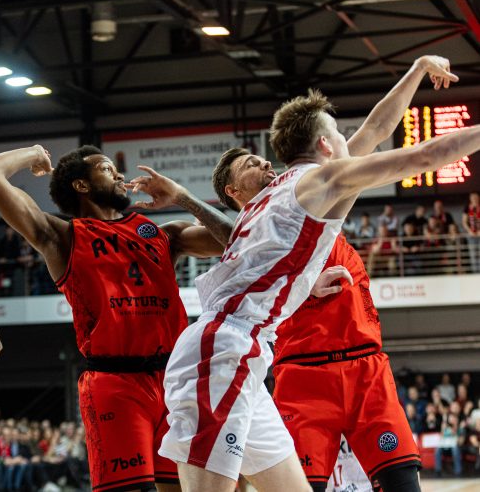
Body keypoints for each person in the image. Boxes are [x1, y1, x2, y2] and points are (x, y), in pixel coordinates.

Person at [144, 57, 473, 491]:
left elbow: (374, 131)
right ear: (324, 144)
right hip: (224, 349)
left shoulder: (282, 191)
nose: (346, 139)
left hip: (248, 352)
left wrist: (416, 71)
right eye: (338, 133)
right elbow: (427, 153)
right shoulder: (316, 184)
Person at [0, 145, 234, 492]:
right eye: (105, 168)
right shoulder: (63, 236)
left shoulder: (162, 234)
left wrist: (182, 196)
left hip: (174, 380)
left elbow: (238, 239)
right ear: (81, 186)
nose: (117, 173)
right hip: (115, 383)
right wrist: (35, 154)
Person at [462, 192, 480, 272]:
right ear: (470, 199)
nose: (474, 199)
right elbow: (464, 222)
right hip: (471, 234)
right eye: (473, 197)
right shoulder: (467, 208)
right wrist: (470, 231)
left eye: (476, 197)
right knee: (473, 254)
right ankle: (475, 272)